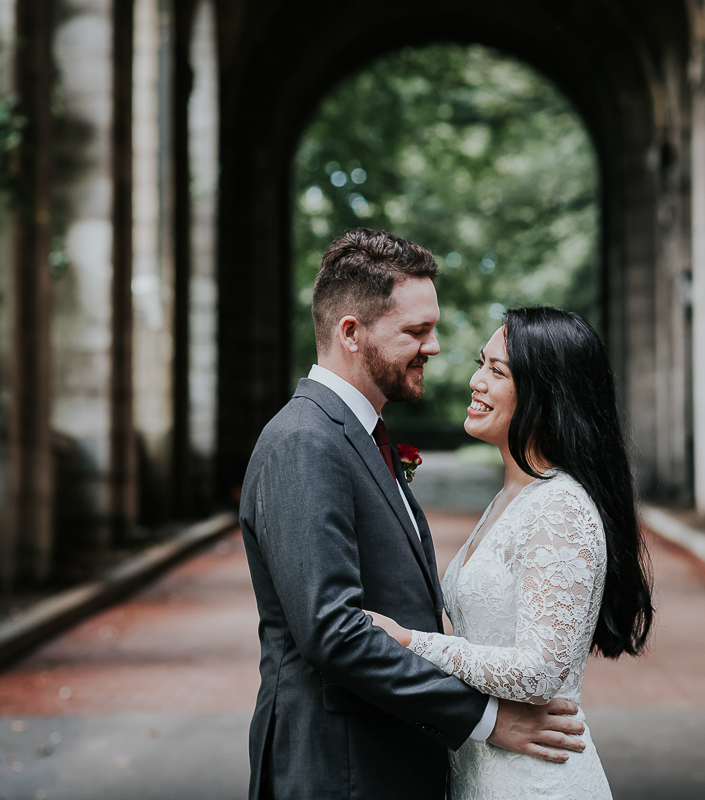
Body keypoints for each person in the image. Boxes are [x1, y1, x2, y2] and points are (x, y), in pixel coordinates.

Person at [239, 230, 588, 800]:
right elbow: (334, 632)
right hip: (339, 769)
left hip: (389, 760)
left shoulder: (360, 436)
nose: (434, 346)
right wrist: (485, 719)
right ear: (351, 332)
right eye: (416, 331)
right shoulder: (304, 441)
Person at [366, 306, 655, 799]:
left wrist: (412, 643)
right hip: (486, 770)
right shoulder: (511, 498)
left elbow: (540, 671)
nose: (476, 380)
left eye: (497, 371)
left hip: (537, 779)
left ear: (546, 394)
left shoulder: (560, 507)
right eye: (482, 363)